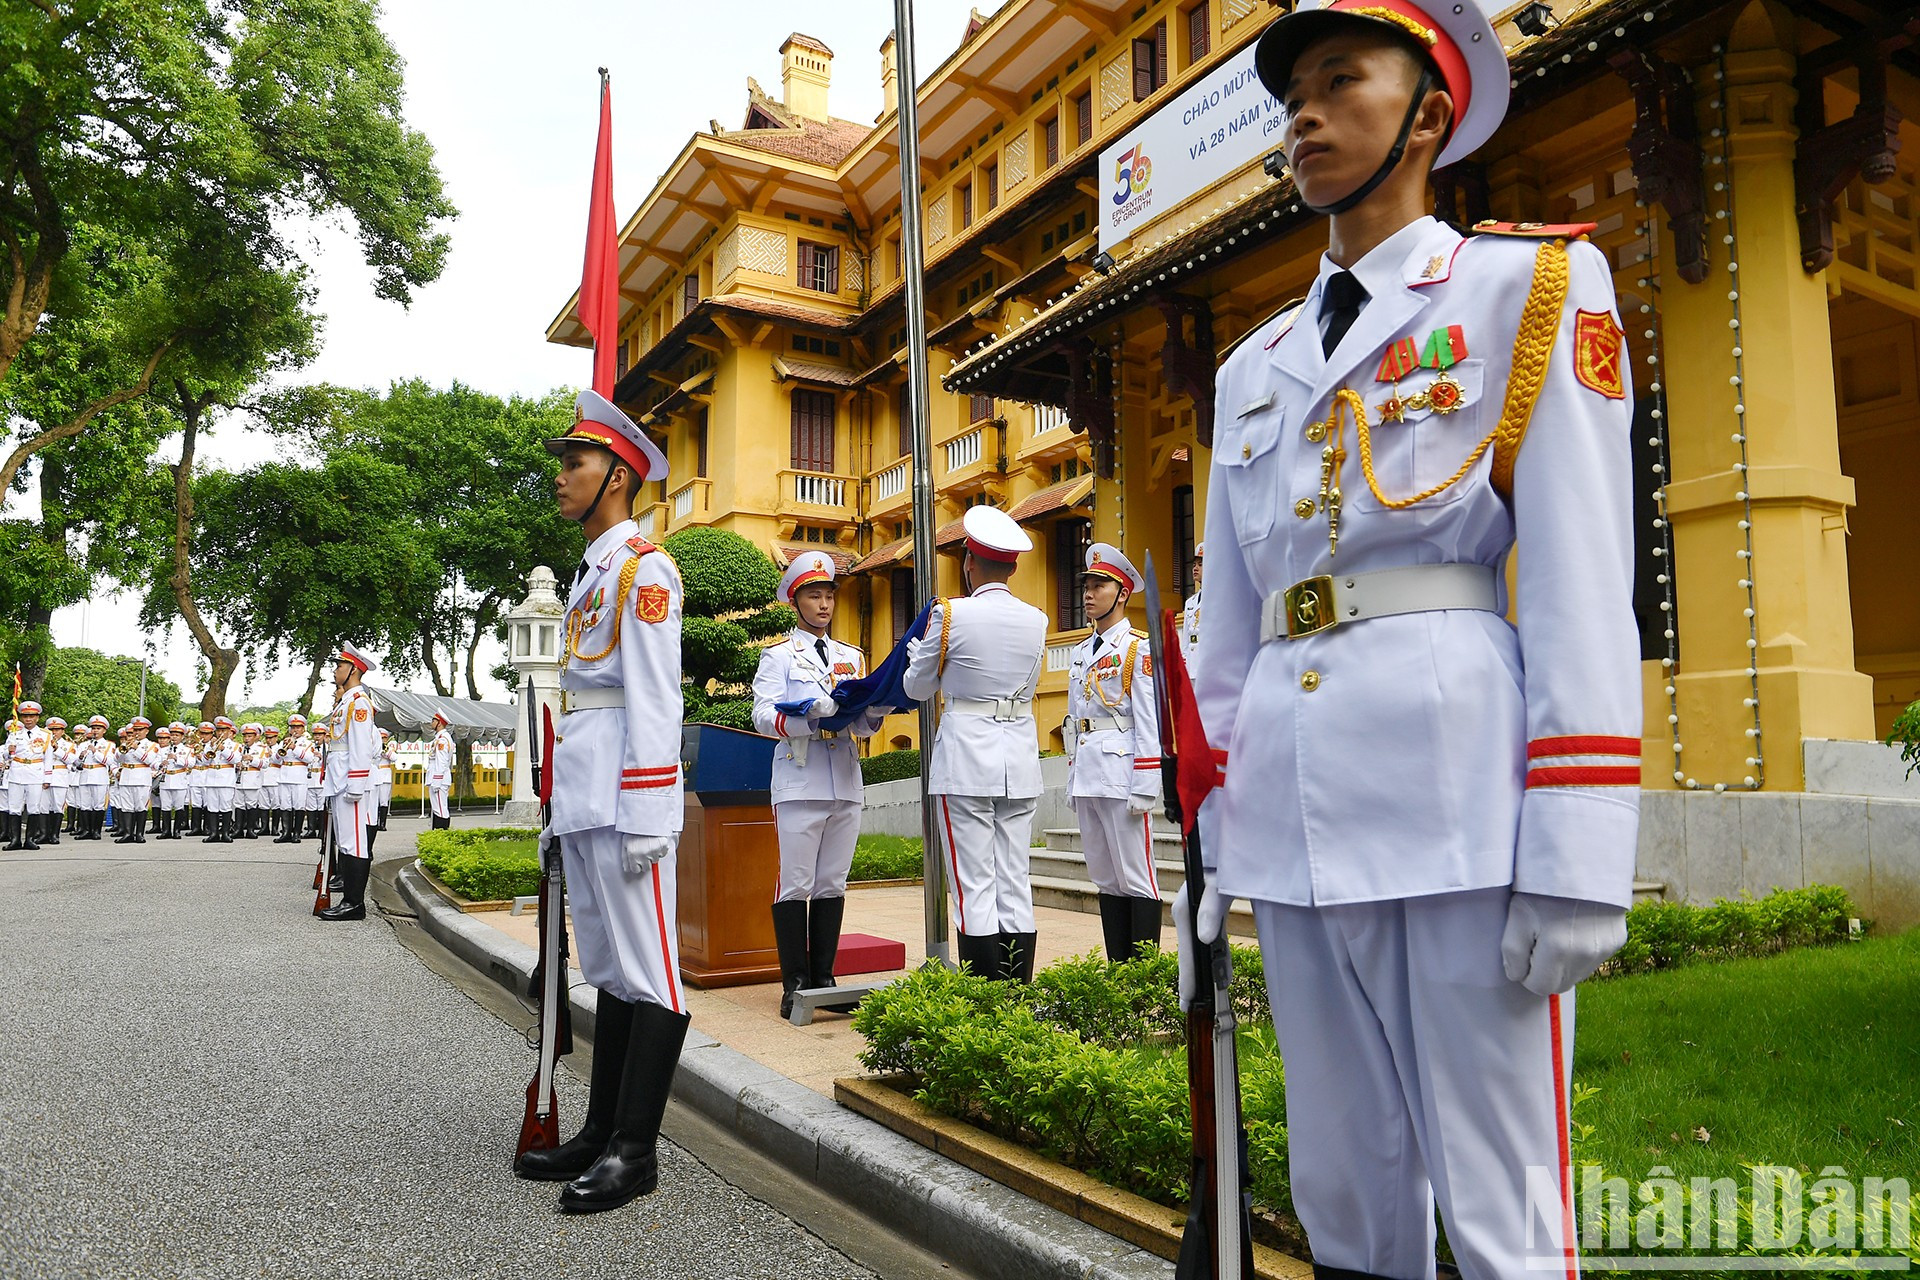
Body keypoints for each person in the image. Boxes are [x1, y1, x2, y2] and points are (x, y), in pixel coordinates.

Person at [1188, 3, 1640, 1275]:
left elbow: (1576, 576)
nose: (1307, 116)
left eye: (1343, 81)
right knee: (1344, 1186)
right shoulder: (1254, 364)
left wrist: (1580, 849)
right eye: (1294, 96)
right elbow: (1233, 627)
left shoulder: (1524, 286)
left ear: (1430, 113)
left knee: (1501, 1202)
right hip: (1288, 806)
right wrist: (1218, 839)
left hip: (1458, 802)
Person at [512, 389, 688, 1215]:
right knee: (612, 971)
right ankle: (598, 1130)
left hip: (628, 798)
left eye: (573, 464)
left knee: (652, 974)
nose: (560, 477)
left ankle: (637, 1151)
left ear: (616, 475)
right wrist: (558, 814)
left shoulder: (643, 570)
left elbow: (655, 697)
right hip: (587, 792)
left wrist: (652, 811)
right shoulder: (592, 577)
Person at [901, 505, 1049, 982]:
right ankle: (1017, 994)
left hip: (967, 757)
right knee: (1014, 879)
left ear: (969, 562)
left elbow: (916, 688)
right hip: (1018, 756)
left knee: (974, 883)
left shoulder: (950, 614)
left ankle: (985, 1000)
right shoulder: (1037, 620)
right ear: (1013, 566)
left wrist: (914, 657)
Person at [751, 550, 884, 1018]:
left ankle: (825, 979)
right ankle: (795, 983)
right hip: (800, 777)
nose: (824, 604)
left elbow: (863, 728)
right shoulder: (779, 656)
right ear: (796, 600)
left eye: (829, 595)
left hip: (845, 778)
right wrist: (809, 716)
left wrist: (875, 710)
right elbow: (763, 715)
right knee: (797, 882)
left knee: (833, 881)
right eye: (814, 595)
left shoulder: (852, 656)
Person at [1063, 543, 1163, 963]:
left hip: (1123, 776)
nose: (1089, 593)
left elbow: (1149, 719)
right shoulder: (1082, 652)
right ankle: (1118, 972)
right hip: (1089, 775)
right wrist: (1072, 779)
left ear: (1122, 592)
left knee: (1136, 877)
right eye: (1086, 585)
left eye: (1099, 585)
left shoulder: (1137, 648)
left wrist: (1146, 782)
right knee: (1105, 877)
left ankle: (1143, 980)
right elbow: (1075, 722)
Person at [316, 644, 382, 922]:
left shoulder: (359, 704)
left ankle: (354, 903)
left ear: (353, 670)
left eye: (339, 666)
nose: (335, 670)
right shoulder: (347, 702)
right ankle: (349, 900)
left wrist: (356, 784)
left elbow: (360, 748)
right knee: (346, 841)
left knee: (355, 843)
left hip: (351, 784)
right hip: (340, 781)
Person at [4, 701, 51, 850]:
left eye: (31, 716)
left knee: (33, 807)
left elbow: (48, 757)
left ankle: (30, 839)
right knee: (14, 807)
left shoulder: (45, 735)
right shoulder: (14, 734)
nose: (28, 719)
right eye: (25, 716)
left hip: (35, 772)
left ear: (37, 717)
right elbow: (6, 755)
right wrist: (9, 750)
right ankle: (15, 839)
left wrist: (47, 778)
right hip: (17, 772)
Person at [112, 718, 159, 844]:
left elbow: (150, 760)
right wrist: (124, 748)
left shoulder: (152, 745)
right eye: (135, 730)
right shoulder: (127, 742)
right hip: (126, 777)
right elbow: (116, 759)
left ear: (146, 731)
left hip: (141, 777)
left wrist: (136, 748)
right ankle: (128, 834)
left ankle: (139, 834)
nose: (137, 732)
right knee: (126, 807)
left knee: (140, 806)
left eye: (140, 730)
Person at [203, 717, 240, 844]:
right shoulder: (209, 744)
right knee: (212, 807)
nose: (220, 733)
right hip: (211, 778)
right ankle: (213, 833)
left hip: (226, 779)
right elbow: (204, 761)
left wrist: (223, 749)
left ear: (229, 731)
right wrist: (210, 748)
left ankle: (225, 833)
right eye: (218, 730)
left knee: (225, 806)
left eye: (223, 730)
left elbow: (235, 760)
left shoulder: (234, 745)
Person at [72, 715, 110, 841]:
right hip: (85, 775)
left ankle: (96, 831)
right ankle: (86, 830)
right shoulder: (83, 745)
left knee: (98, 804)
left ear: (104, 730)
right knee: (85, 804)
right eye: (93, 728)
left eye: (98, 728)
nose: (95, 731)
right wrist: (80, 758)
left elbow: (108, 761)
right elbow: (76, 764)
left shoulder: (108, 745)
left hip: (99, 776)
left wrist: (95, 752)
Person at [277, 715, 313, 842]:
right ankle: (286, 832)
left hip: (299, 777)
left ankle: (296, 833)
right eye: (292, 727)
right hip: (284, 776)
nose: (295, 730)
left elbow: (309, 759)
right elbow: (275, 760)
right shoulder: (283, 742)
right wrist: (282, 748)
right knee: (284, 805)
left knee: (299, 805)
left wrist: (294, 748)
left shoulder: (308, 743)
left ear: (303, 729)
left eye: (298, 727)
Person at [157, 723, 192, 839]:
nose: (174, 737)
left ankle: (177, 830)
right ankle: (166, 831)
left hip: (179, 779)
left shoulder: (187, 750)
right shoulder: (162, 750)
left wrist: (177, 758)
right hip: (166, 779)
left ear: (182, 737)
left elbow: (191, 763)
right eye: (172, 735)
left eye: (177, 735)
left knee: (179, 806)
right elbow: (154, 762)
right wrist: (160, 764)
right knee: (165, 806)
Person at [236, 723, 267, 839]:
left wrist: (252, 759)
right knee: (239, 805)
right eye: (245, 736)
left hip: (252, 780)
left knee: (251, 805)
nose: (247, 739)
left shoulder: (261, 749)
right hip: (239, 780)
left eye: (249, 736)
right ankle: (238, 829)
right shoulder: (238, 748)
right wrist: (236, 765)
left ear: (255, 737)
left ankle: (250, 829)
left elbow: (265, 764)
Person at [44, 716, 71, 845]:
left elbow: (71, 760)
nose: (54, 732)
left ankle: (55, 834)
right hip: (45, 776)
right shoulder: (42, 742)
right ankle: (45, 833)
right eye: (51, 729)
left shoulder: (68, 745)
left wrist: (57, 749)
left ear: (63, 731)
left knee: (57, 806)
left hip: (60, 776)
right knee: (45, 806)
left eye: (57, 729)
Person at [423, 711, 454, 828]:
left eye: (433, 720)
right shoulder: (440, 738)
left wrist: (437, 780)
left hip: (439, 779)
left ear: (439, 723)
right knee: (438, 808)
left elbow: (441, 761)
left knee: (441, 809)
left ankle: (442, 835)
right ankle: (437, 834)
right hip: (437, 777)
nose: (431, 723)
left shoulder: (442, 739)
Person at [1178, 542, 1204, 669]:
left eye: (1200, 565)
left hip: (1209, 663)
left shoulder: (1220, 598)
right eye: (1194, 565)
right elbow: (1186, 639)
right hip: (1191, 664)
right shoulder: (1190, 602)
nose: (1195, 568)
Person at [376, 729, 396, 831]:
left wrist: (386, 750)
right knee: (374, 801)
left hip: (384, 776)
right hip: (375, 775)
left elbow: (394, 758)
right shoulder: (373, 746)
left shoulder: (389, 747)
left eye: (384, 738)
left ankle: (382, 823)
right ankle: (374, 823)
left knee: (383, 801)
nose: (382, 740)